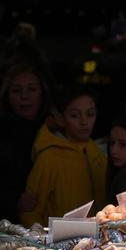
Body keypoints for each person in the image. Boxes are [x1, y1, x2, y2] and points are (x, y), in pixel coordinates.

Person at [22, 87, 107, 225]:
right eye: (74, 115)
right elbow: (31, 213)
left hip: (98, 238)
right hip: (57, 242)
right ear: (60, 119)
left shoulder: (97, 155)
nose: (84, 122)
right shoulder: (48, 158)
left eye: (90, 114)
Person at [0, 62, 51, 226]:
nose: (24, 96)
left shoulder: (54, 129)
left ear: (42, 93)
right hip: (8, 222)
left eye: (31, 89)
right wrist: (13, 199)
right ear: (7, 95)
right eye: (16, 90)